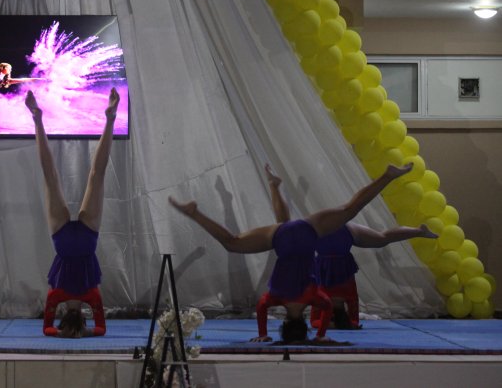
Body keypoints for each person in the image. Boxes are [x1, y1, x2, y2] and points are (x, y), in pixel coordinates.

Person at [169, 162, 414, 343]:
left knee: (351, 209)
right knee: (232, 242)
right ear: (285, 322)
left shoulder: (315, 299)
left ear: (303, 323)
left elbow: (328, 306)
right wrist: (263, 335)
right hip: (282, 241)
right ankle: (195, 213)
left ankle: (388, 175)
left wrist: (320, 336)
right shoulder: (275, 298)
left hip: (308, 233)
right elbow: (262, 307)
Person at [262, 164, 438, 329]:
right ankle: (274, 186)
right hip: (331, 238)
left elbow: (350, 318)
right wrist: (335, 325)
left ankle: (418, 230)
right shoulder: (322, 297)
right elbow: (317, 322)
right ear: (330, 312)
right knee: (286, 229)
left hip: (341, 239)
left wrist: (346, 324)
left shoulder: (345, 296)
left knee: (382, 237)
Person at [25, 88, 119, 338]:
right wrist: (64, 334)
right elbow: (47, 329)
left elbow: (99, 329)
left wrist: (80, 334)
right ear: (63, 314)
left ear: (82, 318)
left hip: (86, 240)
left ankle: (109, 120)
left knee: (96, 177)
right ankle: (37, 119)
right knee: (51, 177)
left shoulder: (92, 295)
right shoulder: (57, 295)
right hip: (64, 241)